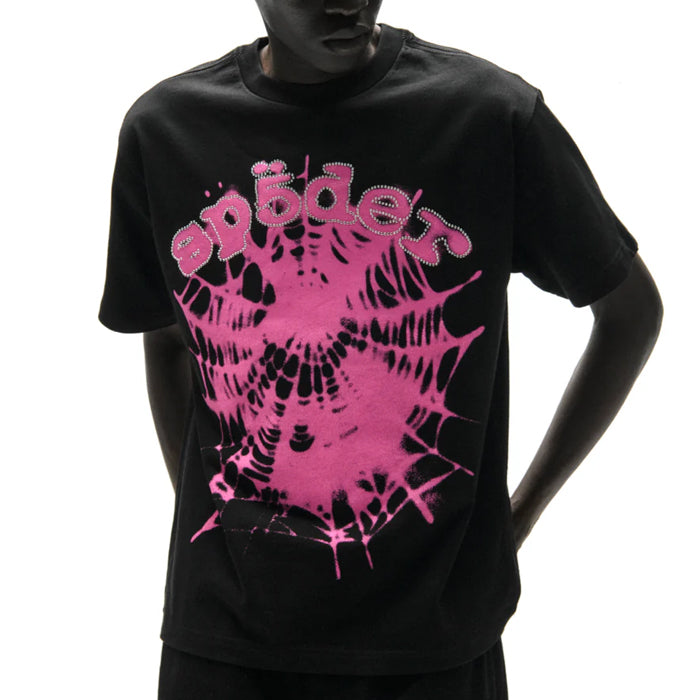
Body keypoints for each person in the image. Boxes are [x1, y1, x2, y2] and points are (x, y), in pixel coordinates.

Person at [98, 1, 663, 698]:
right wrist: (216, 513)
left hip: (432, 643)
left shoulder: (486, 117)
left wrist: (516, 516)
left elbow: (631, 313)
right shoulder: (167, 130)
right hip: (222, 641)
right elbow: (167, 339)